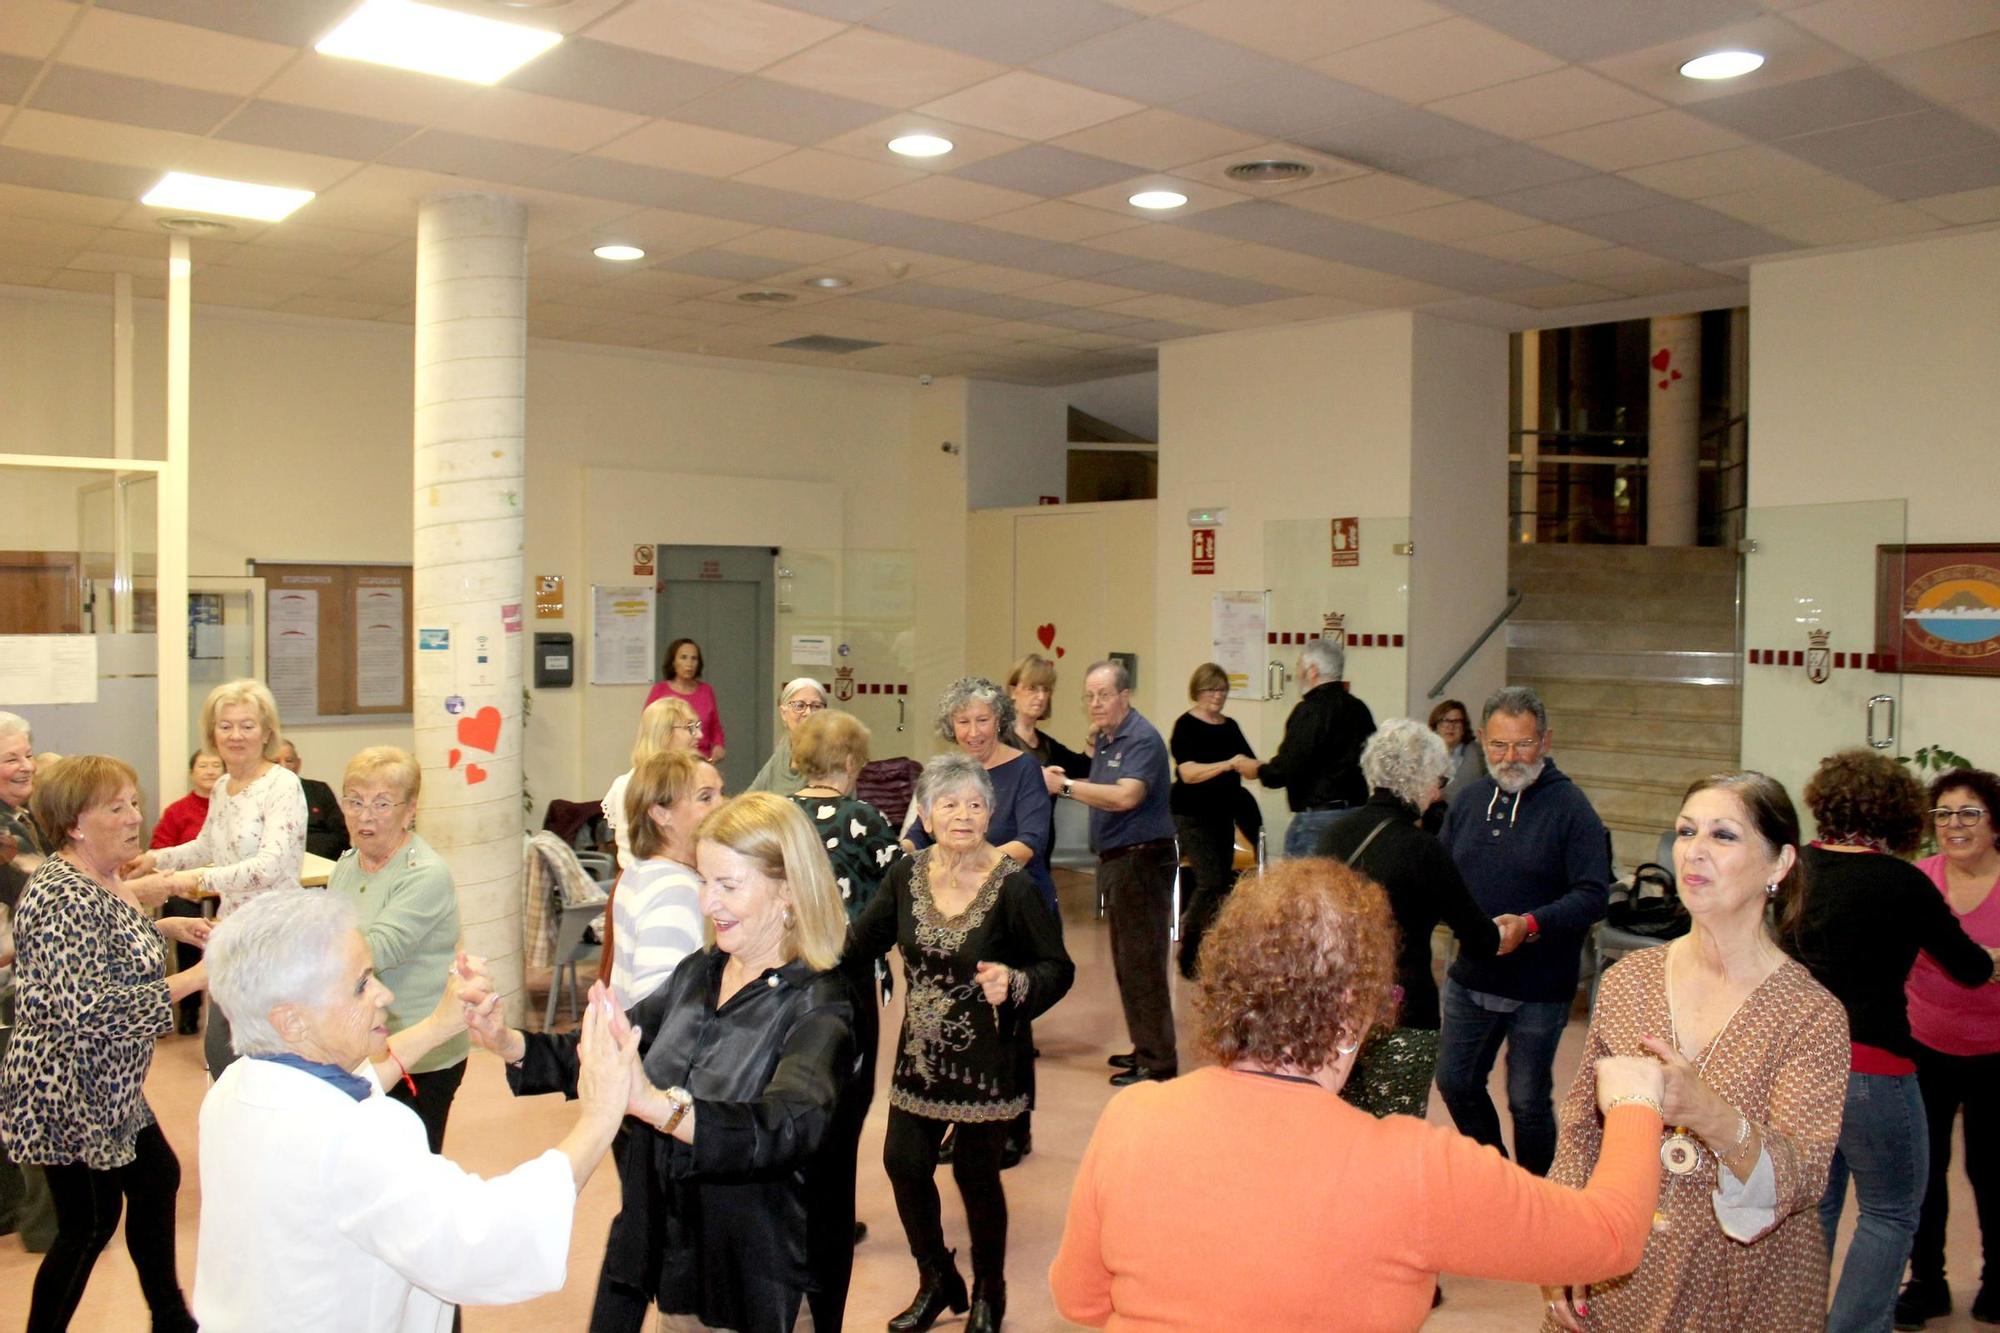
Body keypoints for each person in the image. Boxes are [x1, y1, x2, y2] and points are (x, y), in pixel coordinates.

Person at [1049, 857, 1669, 1332]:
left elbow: (1079, 1299)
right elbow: (1608, 1238)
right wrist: (1636, 1103)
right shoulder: (1415, 1166)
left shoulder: (1132, 1115)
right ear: (1353, 1012)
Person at [468, 792, 855, 1333]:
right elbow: (613, 1043)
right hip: (680, 1257)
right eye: (702, 880)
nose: (707, 903)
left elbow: (787, 1124)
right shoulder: (702, 972)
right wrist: (508, 1041)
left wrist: (657, 1106)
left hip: (759, 1277)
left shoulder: (820, 1002)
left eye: (728, 885)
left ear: (788, 890)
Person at [194, 891, 632, 1332]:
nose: (383, 994)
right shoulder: (357, 1138)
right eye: (362, 984)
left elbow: (350, 1091)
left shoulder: (234, 1087)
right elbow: (483, 1241)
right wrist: (599, 1118)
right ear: (290, 1021)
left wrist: (440, 1025)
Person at [1540, 771, 1850, 1333]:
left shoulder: (1811, 1014)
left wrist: (1710, 1114)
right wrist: (1565, 1239)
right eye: (1686, 832)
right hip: (1626, 1275)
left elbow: (1805, 1177)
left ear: (1778, 865)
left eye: (1723, 836)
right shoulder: (1629, 981)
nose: (1694, 852)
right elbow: (1583, 1128)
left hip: (1749, 1285)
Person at [851, 754, 1074, 1333]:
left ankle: (989, 1293)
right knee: (902, 1163)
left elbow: (1058, 966)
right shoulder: (906, 876)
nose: (962, 815)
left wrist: (1016, 983)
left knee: (976, 1180)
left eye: (975, 804)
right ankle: (936, 1278)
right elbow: (861, 940)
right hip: (918, 1061)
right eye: (948, 804)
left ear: (990, 814)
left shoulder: (1014, 886)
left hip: (989, 1062)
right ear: (924, 814)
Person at [1784, 749, 1996, 1333]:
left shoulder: (1792, 869)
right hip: (1875, 1068)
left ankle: (1800, 1321)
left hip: (1798, 1069)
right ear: (1899, 813)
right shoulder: (1904, 883)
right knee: (1889, 1211)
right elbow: (1972, 968)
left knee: (1815, 1207)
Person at [0, 754, 210, 1333]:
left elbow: (108, 944)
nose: (133, 817)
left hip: (108, 1086)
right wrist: (194, 978)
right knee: (88, 1226)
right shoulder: (61, 894)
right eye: (115, 808)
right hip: (65, 1088)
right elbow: (96, 1008)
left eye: (134, 803)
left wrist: (165, 928)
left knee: (155, 1176)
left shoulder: (102, 877)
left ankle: (170, 1317)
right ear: (75, 824)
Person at [1436, 684, 1609, 1177]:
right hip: (1471, 978)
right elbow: (1441, 875)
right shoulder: (1468, 801)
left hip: (1540, 985)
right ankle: (1500, 1176)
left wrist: (1532, 924)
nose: (1510, 757)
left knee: (1528, 1100)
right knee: (1455, 1081)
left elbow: (1593, 894)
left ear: (1546, 741)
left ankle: (1543, 1196)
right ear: (1482, 743)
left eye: (1523, 744)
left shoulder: (1571, 808)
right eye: (1498, 745)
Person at [1318, 717, 1503, 1118]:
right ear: (1417, 780)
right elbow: (1480, 937)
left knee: (1344, 1130)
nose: (1438, 793)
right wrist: (1515, 930)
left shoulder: (1333, 836)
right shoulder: (1422, 850)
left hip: (1339, 1011)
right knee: (1395, 1139)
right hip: (1404, 1013)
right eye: (1437, 780)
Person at [125, 678, 307, 1080]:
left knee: (264, 1057)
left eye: (247, 725)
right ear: (212, 734)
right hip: (233, 934)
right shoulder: (224, 786)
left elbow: (269, 866)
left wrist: (182, 882)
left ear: (266, 733)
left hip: (273, 937)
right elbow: (208, 844)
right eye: (226, 726)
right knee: (223, 1052)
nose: (236, 735)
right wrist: (152, 859)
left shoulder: (282, 785)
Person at [789, 709, 900, 1327]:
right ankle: (830, 1230)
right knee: (844, 1110)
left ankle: (793, 1216)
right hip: (845, 981)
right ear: (854, 763)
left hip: (784, 982)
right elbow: (899, 889)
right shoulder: (863, 819)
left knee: (791, 1099)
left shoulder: (778, 813)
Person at [325, 746, 473, 1154]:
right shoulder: (346, 864)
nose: (364, 815)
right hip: (364, 1047)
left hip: (421, 1051)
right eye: (354, 801)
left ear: (410, 811)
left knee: (409, 1171)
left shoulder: (425, 874)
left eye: (381, 803)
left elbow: (375, 951)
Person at [1043, 660, 1177, 1087]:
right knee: (1128, 961)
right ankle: (1145, 1048)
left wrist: (1064, 787)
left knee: (1142, 963)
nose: (1095, 703)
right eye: (1089, 696)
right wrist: (1075, 777)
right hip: (1120, 861)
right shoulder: (1107, 740)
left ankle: (1158, 1064)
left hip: (1143, 860)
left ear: (1125, 696)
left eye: (1104, 695)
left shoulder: (1142, 739)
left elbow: (1125, 797)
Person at [1900, 767, 2000, 1328]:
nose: (1953, 825)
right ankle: (1927, 1283)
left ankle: (1998, 1280)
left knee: (1993, 1170)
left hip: (1996, 1051)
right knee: (1925, 1171)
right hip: (1926, 1046)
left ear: (1995, 823)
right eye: (1942, 814)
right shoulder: (1920, 880)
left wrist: (1972, 963)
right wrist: (1987, 963)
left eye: (1968, 813)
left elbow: (1944, 959)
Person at [1243, 635, 1375, 857]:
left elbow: (1290, 764)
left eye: (1299, 665)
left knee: (1303, 888)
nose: (1297, 672)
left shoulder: (1310, 710)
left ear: (1312, 670)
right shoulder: (1360, 709)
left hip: (1317, 820)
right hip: (1355, 817)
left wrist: (1259, 770)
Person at [0, 712, 54, 1253]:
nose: (24, 767)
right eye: (10, 758)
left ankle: (14, 1213)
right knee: (27, 1103)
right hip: (9, 985)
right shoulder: (4, 832)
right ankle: (46, 1228)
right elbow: (35, 893)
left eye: (26, 755)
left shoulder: (19, 817)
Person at [609, 749, 718, 1007]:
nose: (722, 805)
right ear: (660, 814)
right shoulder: (677, 891)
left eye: (719, 793)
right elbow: (654, 1001)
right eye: (706, 798)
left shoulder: (639, 870)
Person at [1168, 662, 1255, 979]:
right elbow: (1188, 773)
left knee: (1223, 885)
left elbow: (1248, 763)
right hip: (1191, 816)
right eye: (1210, 690)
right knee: (1210, 882)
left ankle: (1215, 950)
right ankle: (1189, 950)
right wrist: (1226, 764)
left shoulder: (1230, 726)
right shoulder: (1186, 726)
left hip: (1222, 815)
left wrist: (1261, 767)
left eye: (1222, 690)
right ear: (1198, 691)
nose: (1217, 696)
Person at [153, 750, 225, 1036]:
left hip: (225, 887)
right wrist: (186, 883)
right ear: (192, 772)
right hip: (187, 891)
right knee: (185, 920)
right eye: (203, 765)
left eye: (215, 765)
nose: (209, 771)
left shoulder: (231, 808)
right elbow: (160, 850)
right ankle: (189, 1007)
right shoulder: (177, 811)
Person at [603, 694, 702, 872]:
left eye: (697, 727)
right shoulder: (631, 785)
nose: (700, 735)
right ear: (664, 734)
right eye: (690, 728)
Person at [644, 637, 726, 763]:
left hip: (701, 760)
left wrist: (718, 746)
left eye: (694, 658)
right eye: (683, 657)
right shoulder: (660, 690)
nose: (689, 664)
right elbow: (649, 727)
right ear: (673, 662)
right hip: (668, 762)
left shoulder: (706, 691)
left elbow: (715, 726)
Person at [745, 677, 827, 797]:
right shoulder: (784, 748)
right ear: (783, 713)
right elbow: (751, 796)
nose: (808, 713)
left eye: (816, 706)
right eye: (799, 706)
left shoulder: (830, 753)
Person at [279, 739, 351, 863]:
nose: (283, 766)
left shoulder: (319, 790)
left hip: (326, 860)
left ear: (298, 763)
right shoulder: (260, 795)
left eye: (289, 761)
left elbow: (341, 836)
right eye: (275, 762)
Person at [1429, 697, 1482, 812]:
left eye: (1456, 722)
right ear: (1435, 727)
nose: (1450, 727)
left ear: (1464, 728)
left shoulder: (1473, 751)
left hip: (1465, 811)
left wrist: (1440, 795)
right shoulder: (1426, 753)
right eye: (1444, 721)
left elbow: (1466, 785)